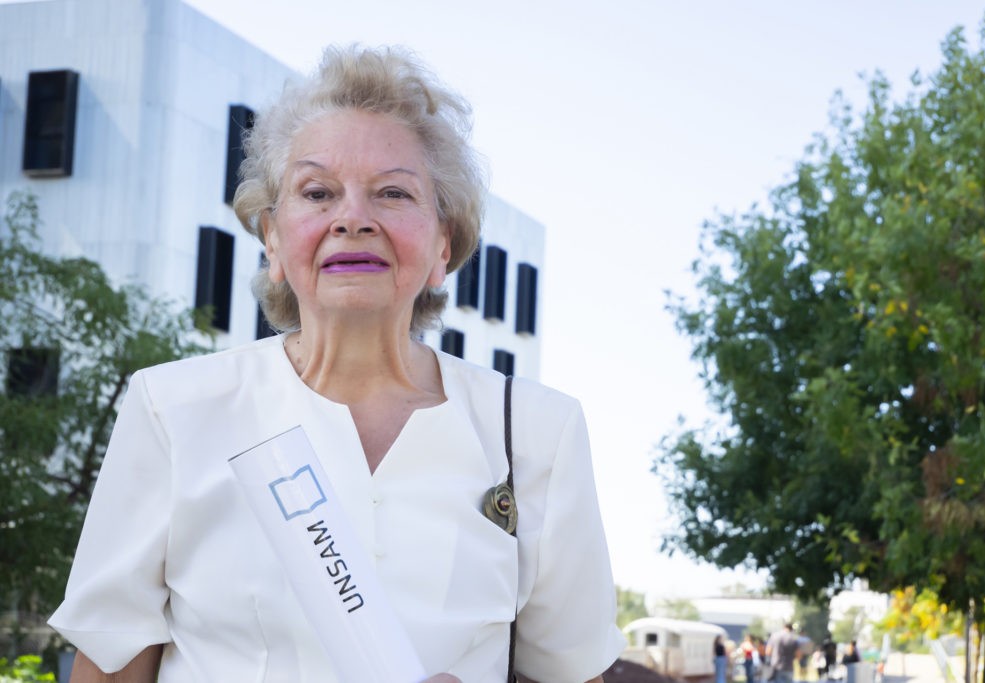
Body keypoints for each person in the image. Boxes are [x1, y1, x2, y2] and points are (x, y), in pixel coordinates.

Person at [47, 44, 624, 682]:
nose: (353, 219)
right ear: (272, 237)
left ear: (442, 246)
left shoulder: (539, 432)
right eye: (318, 191)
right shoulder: (172, 408)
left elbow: (575, 673)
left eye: (394, 193)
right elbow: (111, 666)